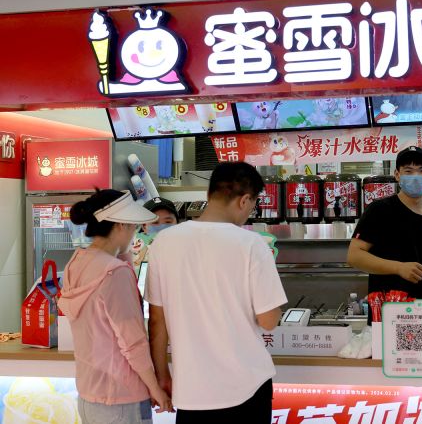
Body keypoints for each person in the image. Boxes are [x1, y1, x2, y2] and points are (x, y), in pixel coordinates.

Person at [146, 162, 287, 422]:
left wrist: (162, 374)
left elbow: (157, 320)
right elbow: (269, 321)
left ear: (210, 194)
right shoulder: (251, 243)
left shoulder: (162, 243)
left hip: (191, 391)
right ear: (245, 200)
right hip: (247, 386)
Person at [59, 189, 173, 424]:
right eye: (132, 226)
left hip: (90, 395)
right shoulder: (114, 272)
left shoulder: (76, 262)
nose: (134, 234)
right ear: (120, 225)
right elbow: (133, 342)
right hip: (122, 398)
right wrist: (154, 387)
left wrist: (123, 252)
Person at [348, 146, 422, 309]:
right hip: (387, 313)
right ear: (397, 175)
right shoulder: (379, 210)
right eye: (408, 171)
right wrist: (398, 268)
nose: (416, 176)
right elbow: (354, 256)